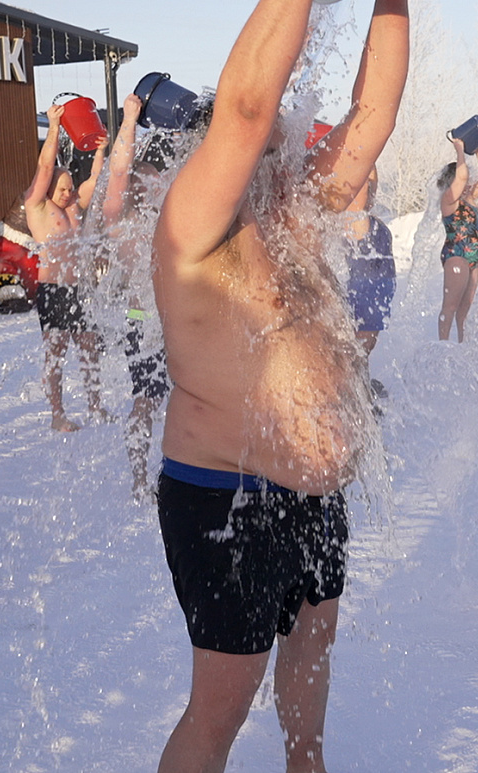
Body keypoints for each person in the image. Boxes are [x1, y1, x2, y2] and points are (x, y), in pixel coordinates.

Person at [149, 0, 408, 768]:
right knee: (220, 709)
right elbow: (247, 107)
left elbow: (373, 117)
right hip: (225, 493)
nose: (285, 145)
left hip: (313, 497)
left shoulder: (291, 212)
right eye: (267, 142)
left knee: (311, 652)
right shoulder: (196, 220)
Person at [25, 104, 110, 431]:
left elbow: (96, 181)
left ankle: (96, 406)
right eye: (62, 188)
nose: (68, 193)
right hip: (54, 291)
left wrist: (100, 150)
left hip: (80, 289)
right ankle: (57, 414)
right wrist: (54, 126)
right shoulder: (37, 205)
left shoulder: (74, 205)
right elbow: (46, 165)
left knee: (90, 350)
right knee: (56, 354)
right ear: (47, 188)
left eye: (70, 187)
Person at [103, 92, 171, 500]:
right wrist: (129, 121)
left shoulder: (172, 218)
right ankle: (140, 478)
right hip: (143, 322)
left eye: (155, 179)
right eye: (142, 180)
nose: (151, 185)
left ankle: (180, 474)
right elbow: (117, 172)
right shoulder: (122, 221)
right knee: (146, 400)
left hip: (178, 323)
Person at [344, 166, 396, 395]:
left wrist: (372, 163)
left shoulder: (364, 215)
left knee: (365, 347)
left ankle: (361, 385)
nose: (372, 189)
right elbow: (362, 186)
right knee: (360, 347)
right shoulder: (356, 216)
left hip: (376, 293)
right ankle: (355, 393)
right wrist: (365, 161)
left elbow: (370, 184)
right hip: (365, 292)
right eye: (367, 185)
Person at [436, 140, 478, 341]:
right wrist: (459, 149)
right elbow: (462, 176)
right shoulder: (449, 200)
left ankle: (463, 347)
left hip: (472, 261)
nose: (468, 183)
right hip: (456, 257)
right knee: (450, 306)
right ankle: (442, 346)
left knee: (465, 312)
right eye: (463, 181)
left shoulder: (469, 198)